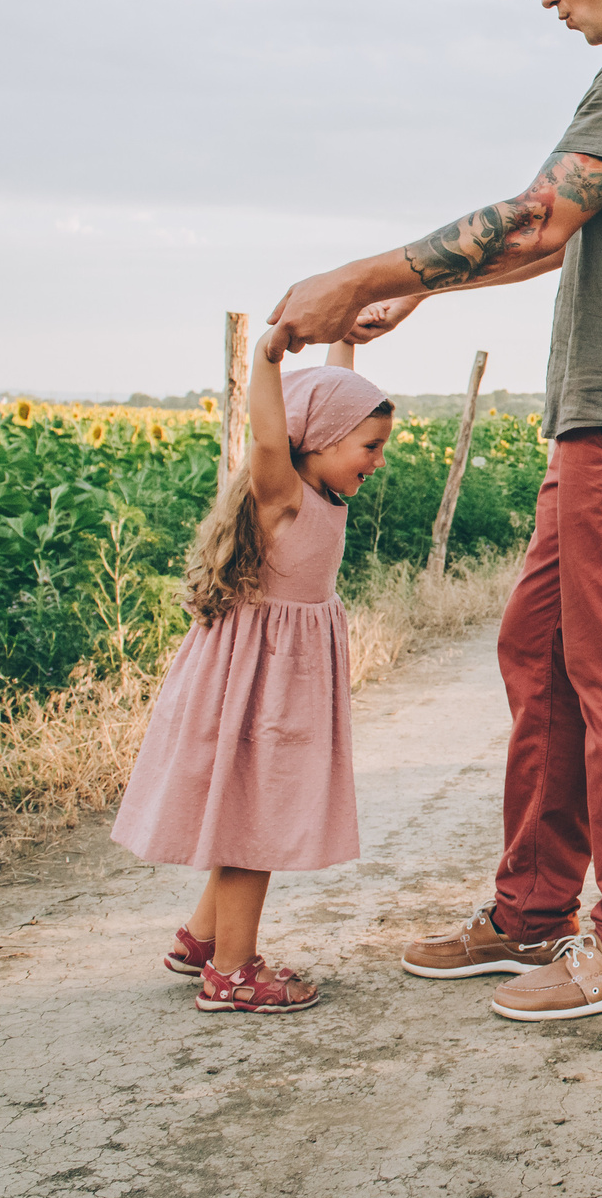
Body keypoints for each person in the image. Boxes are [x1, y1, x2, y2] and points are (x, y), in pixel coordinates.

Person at [261, 0, 602, 1021]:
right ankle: (532, 912)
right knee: (538, 650)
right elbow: (556, 236)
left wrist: (360, 273)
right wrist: (423, 299)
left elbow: (540, 211)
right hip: (601, 409)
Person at [112, 339, 393, 1014]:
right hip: (258, 680)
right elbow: (273, 429)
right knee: (254, 812)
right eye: (371, 446)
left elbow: (332, 391)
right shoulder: (283, 492)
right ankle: (233, 974)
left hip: (275, 676)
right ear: (319, 440)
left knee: (247, 799)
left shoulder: (321, 482)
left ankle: (204, 938)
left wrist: (344, 330)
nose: (378, 460)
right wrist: (267, 355)